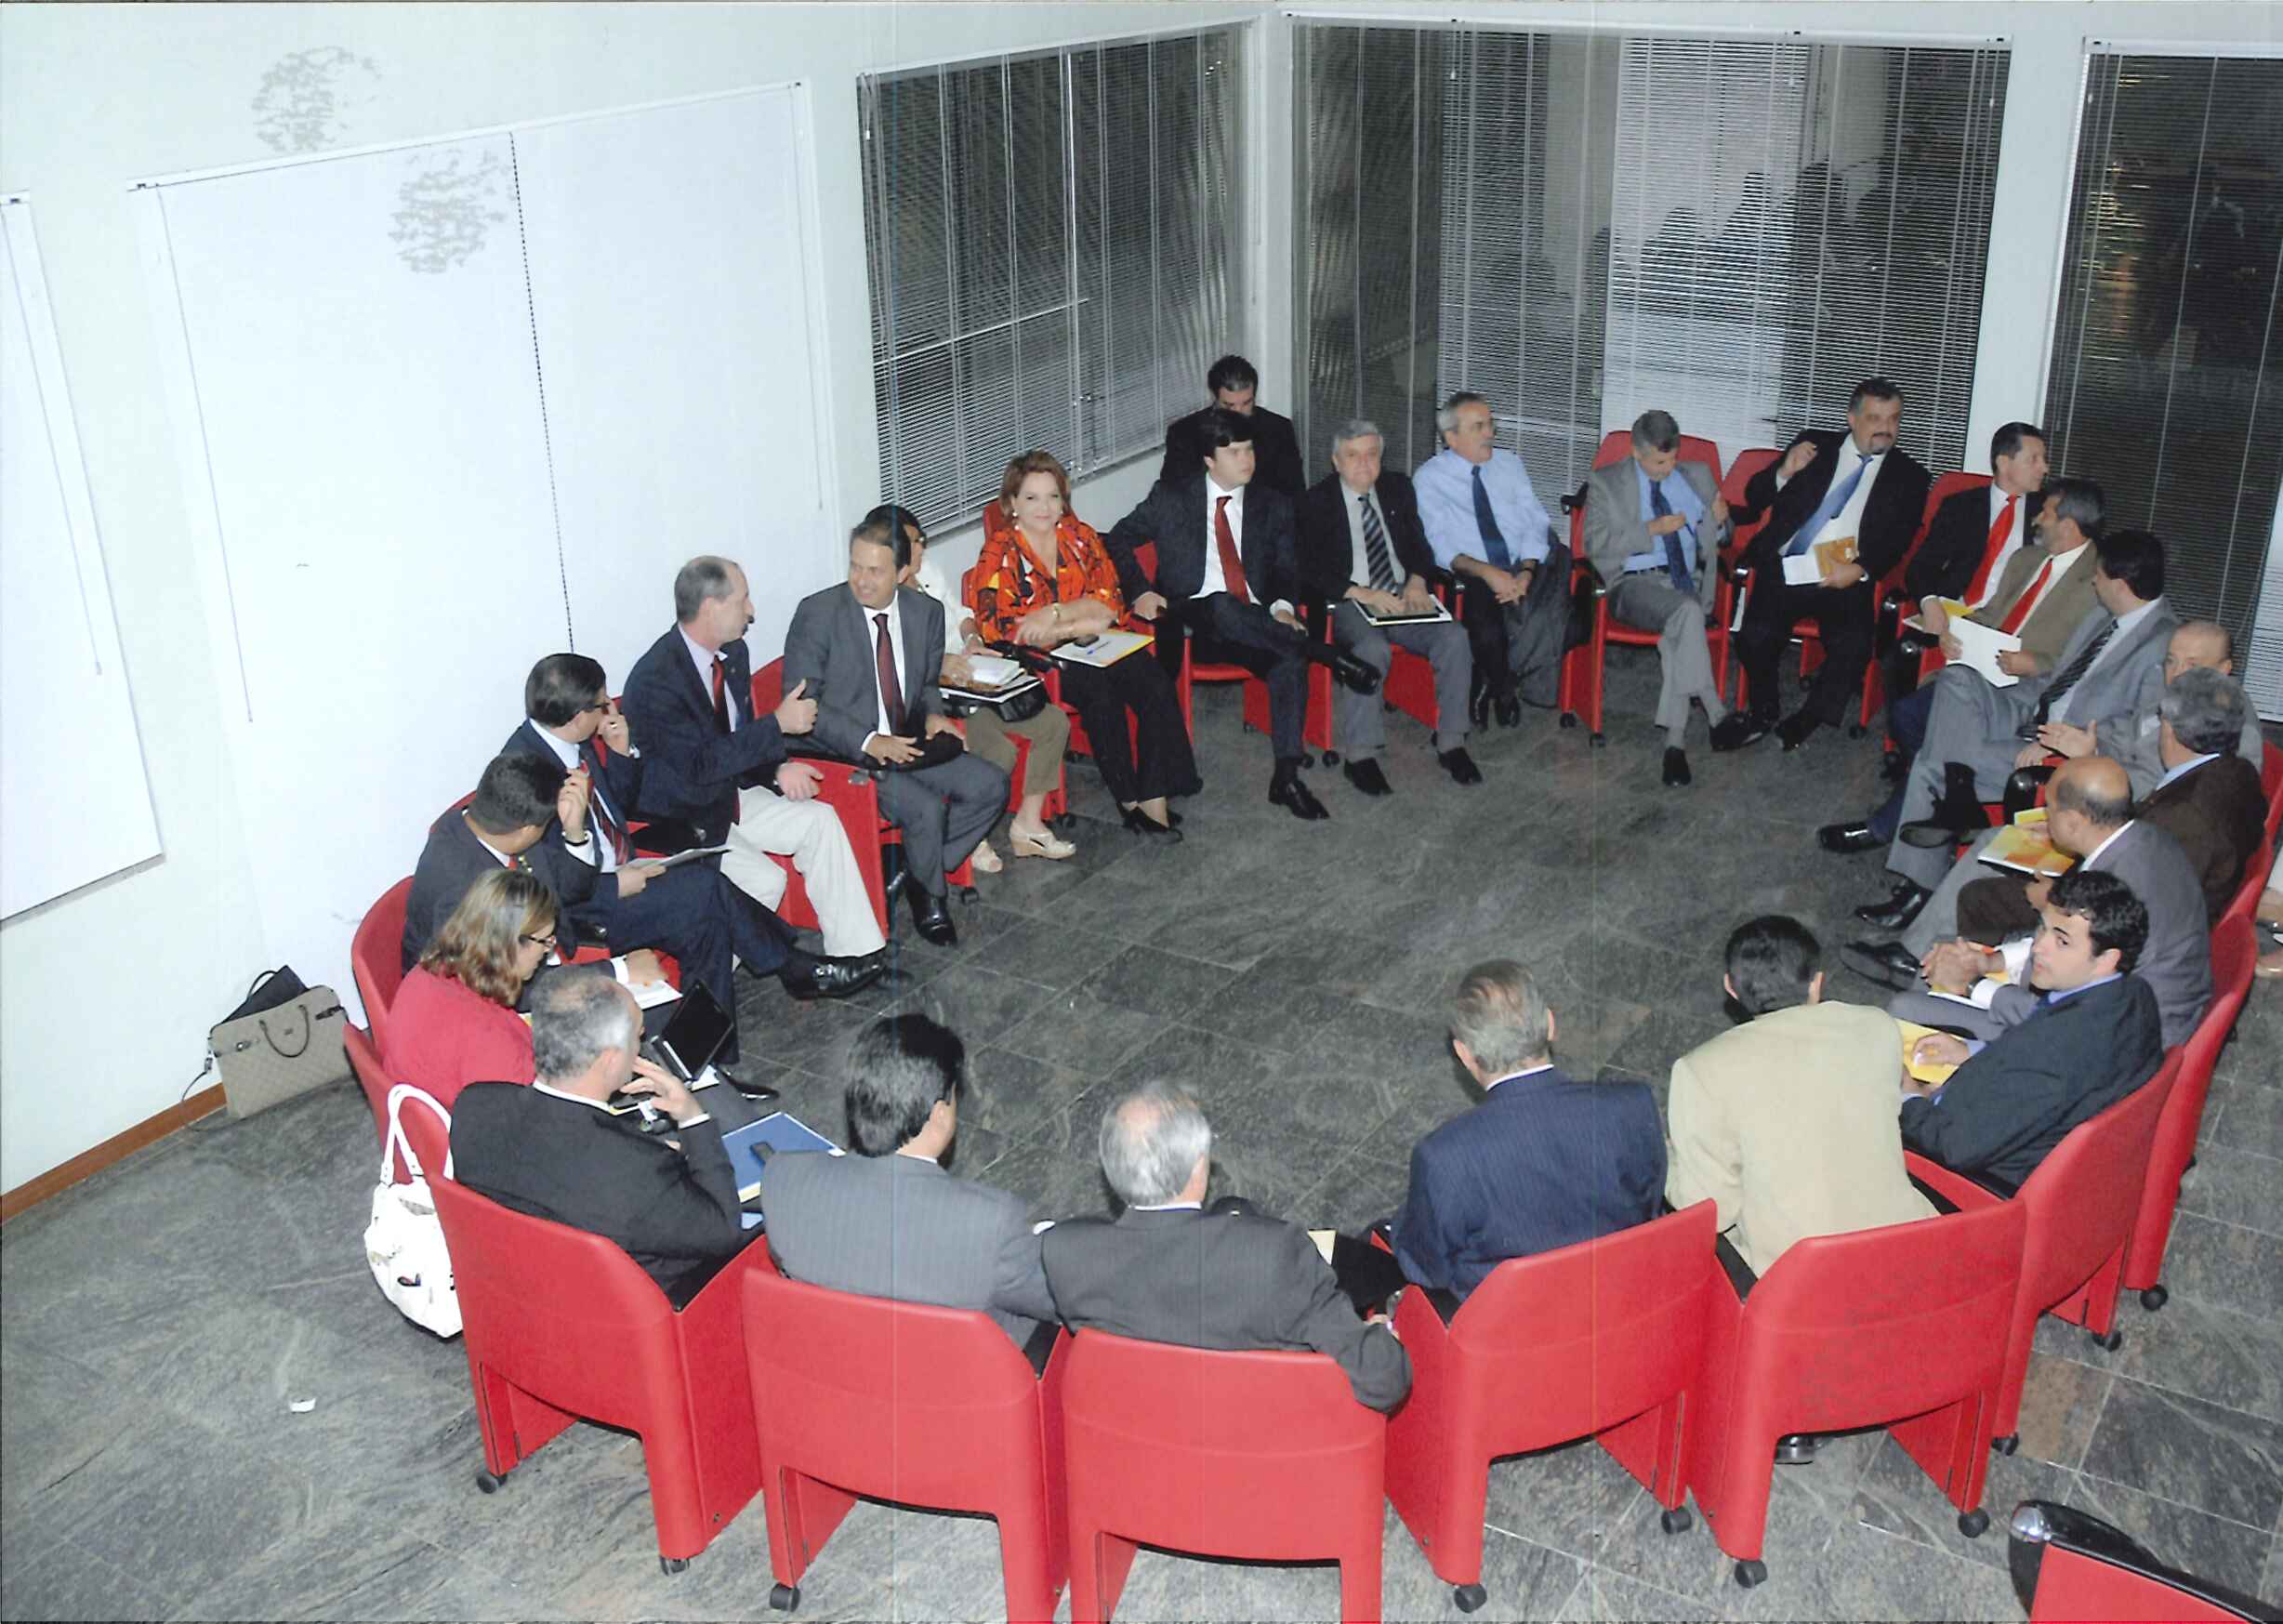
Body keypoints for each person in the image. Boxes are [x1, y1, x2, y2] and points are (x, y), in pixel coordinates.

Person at [1831, 529, 2175, 932]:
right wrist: (2004, 693)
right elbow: (2057, 677)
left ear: (2120, 584)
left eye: (2098, 576)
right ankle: (1958, 800)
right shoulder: (2103, 616)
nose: (2093, 583)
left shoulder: (2164, 644)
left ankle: (1919, 889)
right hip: (2027, 707)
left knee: (1930, 765)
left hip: (2061, 746)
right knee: (1957, 679)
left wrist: (2060, 743)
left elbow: (2141, 733)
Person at [506, 654, 882, 1009]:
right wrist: (614, 885)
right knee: (706, 890)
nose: (608, 709)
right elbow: (552, 880)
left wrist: (621, 753)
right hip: (592, 898)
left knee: (708, 905)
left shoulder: (569, 740)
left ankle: (722, 1021)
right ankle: (795, 969)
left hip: (620, 865)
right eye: (600, 705)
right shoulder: (525, 773)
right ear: (576, 717)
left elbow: (616, 808)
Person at [1886, 623, 2266, 963]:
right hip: (2118, 822)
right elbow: (2128, 731)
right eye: (2171, 661)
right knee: (1998, 837)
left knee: (1993, 857)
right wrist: (2089, 744)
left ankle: (1931, 957)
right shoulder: (2187, 702)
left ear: (2224, 670)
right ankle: (1926, 947)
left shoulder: (2224, 738)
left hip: (2121, 870)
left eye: (2192, 664)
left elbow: (2157, 860)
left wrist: (2077, 848)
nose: (2176, 673)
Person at [1039, 1083, 1411, 1413]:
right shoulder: (1276, 1256)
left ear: (1111, 1169)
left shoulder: (1065, 1254)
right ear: (1199, 1166)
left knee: (1233, 1208)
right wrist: (1381, 1335)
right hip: (1263, 1438)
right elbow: (1384, 1381)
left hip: (1142, 1438)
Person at [1107, 407, 1378, 824]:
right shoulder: (1173, 497)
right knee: (1220, 604)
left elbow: (1286, 571)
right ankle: (1326, 654)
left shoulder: (1272, 504)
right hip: (1192, 627)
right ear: (1209, 460)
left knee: (1288, 658)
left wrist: (1283, 609)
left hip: (1258, 627)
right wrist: (1140, 590)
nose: (1246, 459)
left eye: (1249, 449)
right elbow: (1117, 538)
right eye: (1234, 452)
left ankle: (1287, 778)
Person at [622, 556, 891, 967]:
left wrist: (776, 768)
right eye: (742, 600)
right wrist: (777, 725)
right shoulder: (655, 680)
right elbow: (699, 765)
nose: (751, 611)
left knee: (819, 821)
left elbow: (736, 735)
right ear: (711, 607)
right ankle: (707, 982)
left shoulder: (733, 653)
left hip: (730, 793)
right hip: (685, 814)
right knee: (766, 881)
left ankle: (858, 954)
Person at [760, 1014, 1057, 1363]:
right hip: (953, 1383)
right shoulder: (991, 1222)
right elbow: (1051, 1300)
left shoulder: (783, 1178)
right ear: (940, 1114)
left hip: (830, 1372)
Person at [451, 970, 755, 1306]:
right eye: (638, 1036)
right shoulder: (636, 1173)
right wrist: (693, 1119)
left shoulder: (475, 1107)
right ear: (610, 1061)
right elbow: (724, 1230)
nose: (642, 1044)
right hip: (650, 1308)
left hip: (520, 1295)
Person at [782, 515, 1010, 946]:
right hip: (850, 754)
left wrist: (934, 714)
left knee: (990, 786)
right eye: (855, 567)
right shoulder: (818, 614)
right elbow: (805, 705)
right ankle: (931, 896)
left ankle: (914, 865)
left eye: (875, 571)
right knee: (925, 809)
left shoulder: (925, 612)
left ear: (902, 572)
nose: (862, 580)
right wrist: (870, 741)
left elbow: (924, 684)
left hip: (908, 741)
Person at [1880, 757, 2212, 1052]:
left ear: (2073, 821)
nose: (2043, 816)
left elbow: (2059, 1014)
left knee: (1905, 1008)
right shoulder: (2147, 838)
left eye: (2049, 808)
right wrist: (1991, 962)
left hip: (2108, 1038)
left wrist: (1972, 985)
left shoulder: (2117, 892)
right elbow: (2069, 943)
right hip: (2152, 1008)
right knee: (1947, 961)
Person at [1664, 918, 1933, 1283]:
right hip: (1911, 1255)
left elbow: (1710, 1210)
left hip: (1800, 1284)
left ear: (1730, 988)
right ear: (1817, 983)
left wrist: (1667, 1160)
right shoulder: (1877, 1026)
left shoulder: (1701, 1071)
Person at [1388, 961, 1664, 1306]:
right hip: (1621, 1294)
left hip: (1513, 1320)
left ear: (1464, 1053)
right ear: (1550, 1024)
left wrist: (1407, 1220)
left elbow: (1427, 1268)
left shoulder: (1443, 1157)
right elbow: (1649, 1206)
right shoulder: (1632, 1105)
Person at [970, 453, 1199, 841]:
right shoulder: (999, 553)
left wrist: (1056, 615)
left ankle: (1153, 797)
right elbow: (1004, 629)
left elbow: (1109, 603)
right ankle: (1128, 799)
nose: (1045, 507)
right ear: (1012, 504)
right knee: (1101, 694)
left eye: (1053, 496)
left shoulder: (1080, 536)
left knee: (1155, 683)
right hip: (1044, 662)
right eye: (1032, 498)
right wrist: (1080, 620)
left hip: (1099, 641)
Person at [1900, 870, 2167, 1192]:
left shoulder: (2054, 1051)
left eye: (2062, 941)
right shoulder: (2134, 995)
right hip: (2036, 1142)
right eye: (2042, 927)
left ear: (2106, 960)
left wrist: (1908, 1097)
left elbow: (1954, 1147)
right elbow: (2032, 1067)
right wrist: (1971, 1051)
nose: (2039, 947)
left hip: (1988, 1180)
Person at [1957, 669, 2264, 931]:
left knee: (1977, 893)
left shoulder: (2189, 817)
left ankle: (1943, 962)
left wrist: (2053, 898)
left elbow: (2133, 906)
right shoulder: (2238, 773)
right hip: (2119, 877)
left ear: (2169, 729)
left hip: (2101, 920)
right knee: (1993, 841)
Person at [1719, 377, 1932, 752]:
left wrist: (1862, 569)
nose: (1886, 428)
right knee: (1755, 636)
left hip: (1846, 573)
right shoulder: (1814, 446)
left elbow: (1898, 540)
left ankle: (1811, 715)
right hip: (1788, 563)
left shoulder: (1910, 477)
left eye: (1894, 419)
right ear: (1852, 418)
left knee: (1855, 644)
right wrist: (1784, 471)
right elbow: (1754, 498)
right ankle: (1764, 710)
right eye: (1875, 418)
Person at [874, 501, 1076, 869]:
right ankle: (971, 836)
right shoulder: (883, 601)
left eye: (920, 540)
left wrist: (972, 640)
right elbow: (895, 667)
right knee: (999, 752)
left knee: (1053, 722)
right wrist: (940, 664)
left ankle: (1027, 825)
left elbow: (961, 613)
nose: (921, 548)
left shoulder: (928, 571)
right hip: (945, 697)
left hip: (973, 674)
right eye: (914, 543)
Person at [1878, 478, 2108, 786]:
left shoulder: (2098, 584)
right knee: (1905, 715)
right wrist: (1956, 632)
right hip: (1977, 672)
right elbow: (1989, 614)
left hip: (2022, 690)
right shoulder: (2026, 559)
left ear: (2067, 526)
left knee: (1932, 728)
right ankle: (1945, 789)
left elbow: (2089, 664)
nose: (2036, 519)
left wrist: (2036, 663)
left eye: (2046, 513)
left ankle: (1934, 791)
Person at [1294, 418, 1481, 793]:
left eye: (1371, 454)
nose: (1364, 464)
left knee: (1455, 637)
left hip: (1399, 593)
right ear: (1336, 461)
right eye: (1353, 456)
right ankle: (1360, 756)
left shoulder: (1397, 488)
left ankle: (1451, 743)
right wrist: (1360, 593)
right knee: (1371, 648)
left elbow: (1420, 547)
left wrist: (1418, 579)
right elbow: (1306, 567)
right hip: (1348, 600)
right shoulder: (1316, 502)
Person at [1579, 409, 1735, 787]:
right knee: (1687, 613)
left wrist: (1721, 521)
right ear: (1637, 453)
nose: (1668, 469)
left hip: (1686, 583)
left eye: (1673, 459)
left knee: (1681, 631)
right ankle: (1715, 713)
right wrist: (1649, 529)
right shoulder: (1606, 482)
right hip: (1632, 584)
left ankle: (1675, 746)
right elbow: (1594, 545)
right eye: (1659, 463)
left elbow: (1724, 537)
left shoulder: (1696, 476)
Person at [1412, 391, 1570, 727]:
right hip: (1471, 569)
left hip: (1522, 560)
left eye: (1490, 424)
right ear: (1451, 438)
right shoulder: (1429, 479)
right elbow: (1438, 544)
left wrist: (1526, 570)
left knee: (1561, 588)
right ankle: (1504, 687)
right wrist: (1488, 573)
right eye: (1478, 427)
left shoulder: (1509, 464)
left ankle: (1493, 677)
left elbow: (1535, 520)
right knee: (1488, 629)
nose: (1490, 433)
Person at [1885, 421, 2050, 708]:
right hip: (1959, 612)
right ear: (2004, 462)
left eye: (2044, 459)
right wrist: (1930, 603)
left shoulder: (2048, 514)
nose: (2044, 468)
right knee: (1905, 651)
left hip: (2011, 621)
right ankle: (1902, 728)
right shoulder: (1961, 506)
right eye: (2034, 459)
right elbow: (1921, 566)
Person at [381, 869, 548, 1109]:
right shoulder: (490, 1040)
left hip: (434, 1103)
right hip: (483, 1121)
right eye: (545, 941)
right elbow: (531, 1113)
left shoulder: (427, 972)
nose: (547, 951)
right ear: (513, 945)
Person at [1157, 353, 1305, 505]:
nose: (1238, 413)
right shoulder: (1184, 434)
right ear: (1214, 398)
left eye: (1246, 403)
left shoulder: (1278, 430)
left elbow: (1294, 495)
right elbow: (1170, 495)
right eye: (1229, 405)